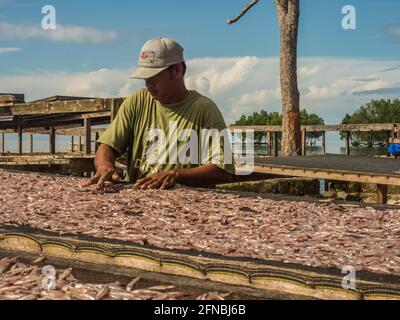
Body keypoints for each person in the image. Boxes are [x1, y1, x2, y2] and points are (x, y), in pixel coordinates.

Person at [83, 37, 235, 190]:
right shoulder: (137, 101)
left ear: (177, 70)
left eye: (154, 76)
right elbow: (107, 147)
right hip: (138, 196)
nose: (148, 84)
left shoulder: (205, 109)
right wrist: (104, 165)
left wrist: (176, 175)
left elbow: (223, 170)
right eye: (145, 78)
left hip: (187, 201)